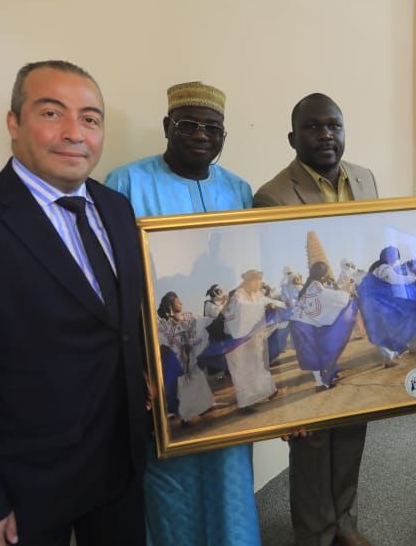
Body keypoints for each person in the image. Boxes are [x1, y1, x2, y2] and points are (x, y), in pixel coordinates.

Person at [0, 60, 148, 545]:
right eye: (52, 113)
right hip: (27, 487)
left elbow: (118, 326)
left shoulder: (117, 209)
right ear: (14, 122)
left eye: (91, 119)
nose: (74, 133)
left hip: (121, 465)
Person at [104, 81, 259, 546]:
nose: (200, 135)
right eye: (187, 124)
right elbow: (114, 283)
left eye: (212, 127)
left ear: (224, 135)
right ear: (166, 127)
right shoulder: (127, 182)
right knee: (169, 478)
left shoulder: (238, 188)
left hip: (214, 338)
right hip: (160, 356)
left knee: (229, 464)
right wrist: (139, 364)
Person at [253, 93, 377, 546]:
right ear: (292, 137)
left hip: (345, 316)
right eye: (312, 127)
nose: (325, 134)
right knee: (311, 440)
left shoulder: (364, 180)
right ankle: (315, 534)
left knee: (351, 427)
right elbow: (272, 267)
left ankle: (345, 522)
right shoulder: (271, 196)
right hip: (310, 324)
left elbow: (369, 238)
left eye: (333, 126)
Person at [356, 246, 416, 368]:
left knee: (381, 330)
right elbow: (396, 280)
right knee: (393, 324)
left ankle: (391, 356)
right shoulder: (385, 269)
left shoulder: (377, 269)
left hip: (370, 305)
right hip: (376, 305)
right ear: (392, 259)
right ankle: (392, 356)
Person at [157, 291, 224, 421]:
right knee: (184, 386)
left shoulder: (189, 317)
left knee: (197, 378)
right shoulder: (164, 326)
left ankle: (205, 406)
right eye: (177, 302)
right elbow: (160, 342)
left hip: (191, 359)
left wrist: (221, 316)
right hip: (178, 362)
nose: (181, 303)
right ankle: (186, 417)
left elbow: (205, 322)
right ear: (170, 306)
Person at [289, 261, 358, 388]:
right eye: (326, 273)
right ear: (322, 276)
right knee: (313, 352)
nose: (328, 276)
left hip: (300, 323)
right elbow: (332, 297)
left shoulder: (312, 285)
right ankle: (321, 383)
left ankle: (324, 378)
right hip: (302, 325)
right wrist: (347, 294)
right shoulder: (316, 287)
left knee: (317, 350)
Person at [222, 269, 283, 409]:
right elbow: (241, 311)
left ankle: (268, 391)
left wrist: (273, 305)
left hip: (252, 339)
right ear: (251, 281)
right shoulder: (237, 295)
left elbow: (265, 302)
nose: (260, 284)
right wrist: (263, 305)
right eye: (258, 281)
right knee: (243, 372)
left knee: (258, 366)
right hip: (236, 344)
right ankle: (245, 403)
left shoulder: (256, 294)